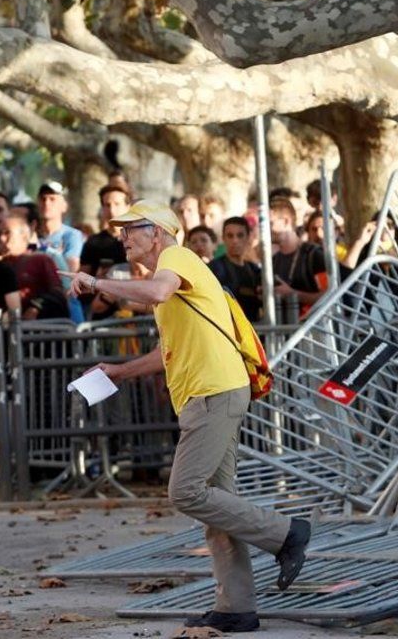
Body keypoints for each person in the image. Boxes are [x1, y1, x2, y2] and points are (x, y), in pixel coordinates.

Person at [63, 200, 311, 632]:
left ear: (157, 232)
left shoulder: (176, 258)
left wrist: (95, 281)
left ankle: (287, 533)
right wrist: (118, 371)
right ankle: (236, 608)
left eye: (130, 229)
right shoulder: (172, 282)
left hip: (213, 392)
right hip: (212, 392)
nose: (122, 237)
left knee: (185, 491)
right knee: (218, 504)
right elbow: (167, 350)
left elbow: (154, 292)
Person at [0, 215, 69, 320]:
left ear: (23, 236)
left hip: (38, 329)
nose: (1, 238)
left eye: (7, 233)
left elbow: (58, 294)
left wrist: (36, 307)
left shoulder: (41, 260)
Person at [270, 197, 327, 319]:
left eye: (270, 223)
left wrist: (293, 294)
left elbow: (331, 295)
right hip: (285, 331)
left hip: (313, 331)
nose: (264, 230)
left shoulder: (313, 255)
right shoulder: (274, 260)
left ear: (286, 221)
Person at [80, 185, 132, 319]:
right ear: (102, 209)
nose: (112, 210)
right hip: (102, 313)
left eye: (117, 204)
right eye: (107, 205)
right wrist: (98, 280)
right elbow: (81, 281)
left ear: (128, 206)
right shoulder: (93, 242)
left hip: (137, 310)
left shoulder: (138, 239)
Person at [37, 182, 85, 322]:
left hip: (65, 301)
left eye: (52, 199)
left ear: (64, 206)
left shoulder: (72, 235)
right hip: (39, 302)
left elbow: (69, 273)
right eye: (43, 199)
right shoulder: (31, 236)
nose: (46, 203)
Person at [209, 217, 264, 322]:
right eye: (230, 236)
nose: (235, 241)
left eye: (240, 235)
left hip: (253, 330)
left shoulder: (255, 270)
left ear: (248, 238)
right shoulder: (213, 269)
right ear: (223, 238)